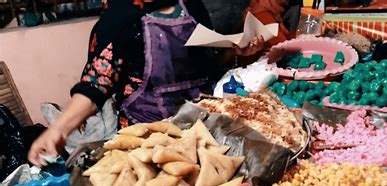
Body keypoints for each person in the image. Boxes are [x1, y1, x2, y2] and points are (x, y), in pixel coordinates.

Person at [28, 0, 264, 166]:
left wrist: (237, 51)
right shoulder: (121, 16)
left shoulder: (190, 5)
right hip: (147, 141)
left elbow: (208, 63)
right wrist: (59, 130)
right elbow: (96, 84)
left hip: (203, 132)